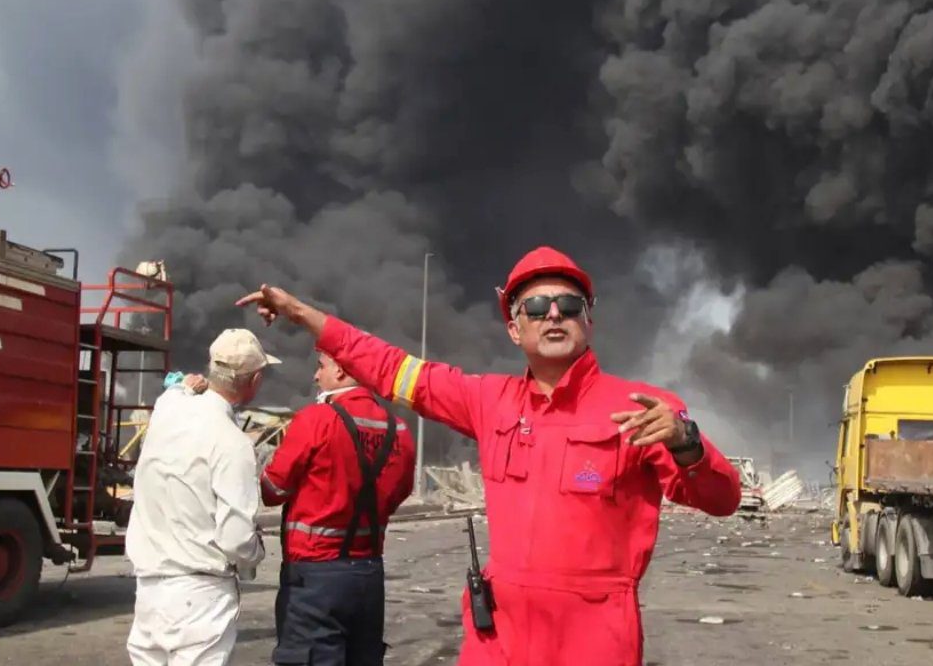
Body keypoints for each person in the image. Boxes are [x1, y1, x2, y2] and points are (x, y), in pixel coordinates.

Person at [233, 246, 743, 666]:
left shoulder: (643, 409)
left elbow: (723, 499)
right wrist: (302, 315)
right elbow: (392, 368)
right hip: (499, 638)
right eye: (536, 307)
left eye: (568, 305)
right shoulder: (488, 401)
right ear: (514, 329)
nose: (554, 315)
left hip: (593, 642)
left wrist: (686, 443)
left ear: (588, 320)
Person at [124, 328, 278, 666]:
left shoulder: (166, 409)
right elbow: (236, 540)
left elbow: (176, 389)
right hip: (201, 596)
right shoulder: (233, 443)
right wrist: (256, 550)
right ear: (254, 380)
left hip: (149, 590)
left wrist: (185, 386)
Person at [255, 347, 417, 665]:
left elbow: (273, 490)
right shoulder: (398, 429)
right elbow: (401, 490)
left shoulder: (316, 419)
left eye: (321, 366)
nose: (316, 376)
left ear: (340, 370)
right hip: (368, 574)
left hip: (314, 576)